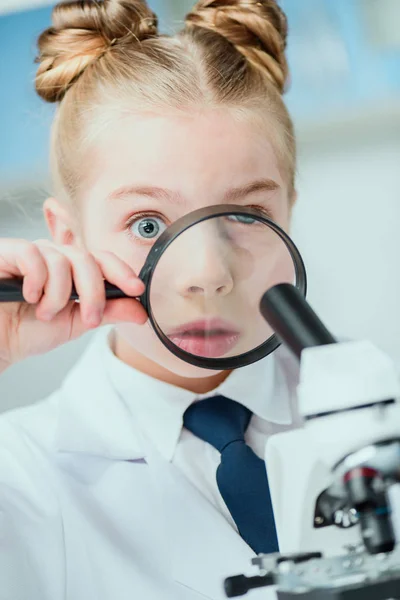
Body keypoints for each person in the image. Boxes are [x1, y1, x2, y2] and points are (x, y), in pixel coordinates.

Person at [0, 1, 303, 598]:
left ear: (290, 211)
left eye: (246, 215)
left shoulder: (380, 408)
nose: (208, 274)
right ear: (69, 237)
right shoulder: (20, 473)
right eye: (146, 224)